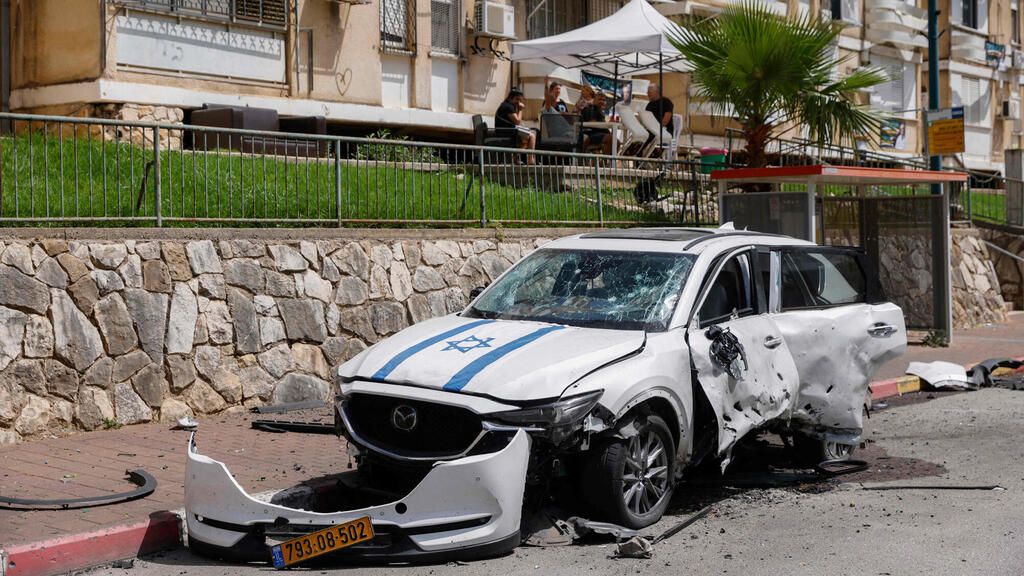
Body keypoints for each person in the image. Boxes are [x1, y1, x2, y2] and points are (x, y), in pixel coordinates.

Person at [495, 87, 536, 164]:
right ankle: (531, 160)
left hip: (508, 130)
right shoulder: (508, 106)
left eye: (520, 100)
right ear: (511, 98)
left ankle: (514, 159)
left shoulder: (508, 105)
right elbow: (517, 121)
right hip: (506, 132)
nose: (518, 102)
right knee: (532, 137)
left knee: (525, 141)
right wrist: (520, 109)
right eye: (517, 99)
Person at [644, 83, 674, 148]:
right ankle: (638, 154)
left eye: (650, 92)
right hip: (652, 130)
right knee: (641, 136)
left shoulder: (666, 102)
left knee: (647, 137)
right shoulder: (649, 105)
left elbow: (667, 117)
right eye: (647, 92)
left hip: (664, 130)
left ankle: (639, 154)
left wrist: (657, 129)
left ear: (657, 92)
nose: (648, 94)